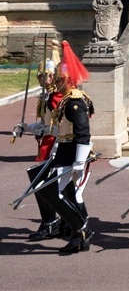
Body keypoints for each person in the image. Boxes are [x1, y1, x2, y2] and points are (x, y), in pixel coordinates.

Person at [34, 41, 95, 254]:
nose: (56, 83)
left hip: (75, 154)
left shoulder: (75, 102)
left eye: (59, 79)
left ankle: (81, 232)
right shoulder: (65, 101)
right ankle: (81, 235)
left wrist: (79, 161)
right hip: (64, 151)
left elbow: (83, 133)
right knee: (61, 194)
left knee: (69, 195)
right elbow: (59, 130)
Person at [13, 39, 65, 240]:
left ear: (52, 76)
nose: (39, 79)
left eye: (42, 76)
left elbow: (59, 126)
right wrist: (25, 127)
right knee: (42, 184)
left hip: (54, 145)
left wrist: (47, 133)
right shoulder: (47, 97)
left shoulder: (56, 98)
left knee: (45, 185)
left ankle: (51, 221)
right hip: (45, 144)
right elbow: (44, 124)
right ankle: (53, 220)